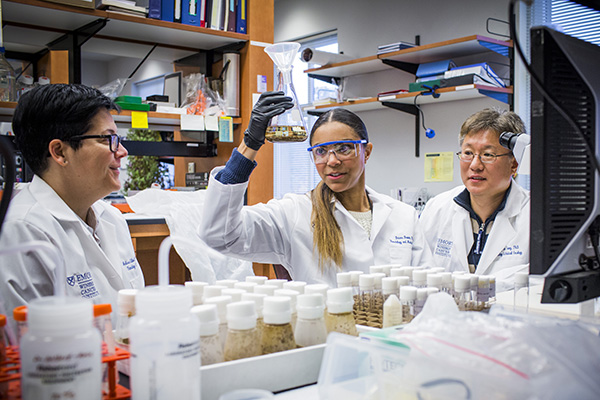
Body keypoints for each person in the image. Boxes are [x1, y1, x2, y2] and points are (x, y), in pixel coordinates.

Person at [198, 91, 431, 286]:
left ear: (366, 151)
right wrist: (250, 144)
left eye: (343, 148)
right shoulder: (294, 213)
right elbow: (220, 235)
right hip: (328, 337)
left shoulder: (404, 216)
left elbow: (427, 286)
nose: (332, 161)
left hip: (395, 337)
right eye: (321, 151)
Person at [0, 84, 145, 335]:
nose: (122, 151)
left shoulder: (111, 218)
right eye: (106, 139)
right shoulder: (21, 233)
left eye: (118, 139)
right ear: (59, 152)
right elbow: (29, 349)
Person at [419, 108, 529, 291]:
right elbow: (419, 273)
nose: (475, 165)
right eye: (468, 153)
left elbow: (537, 283)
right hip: (446, 316)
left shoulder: (534, 216)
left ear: (514, 163)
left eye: (488, 155)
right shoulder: (437, 208)